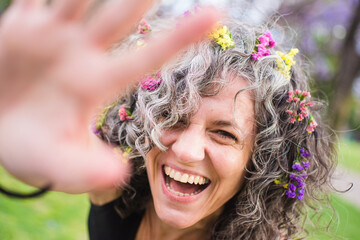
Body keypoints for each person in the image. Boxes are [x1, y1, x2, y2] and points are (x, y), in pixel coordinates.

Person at [0, 1, 336, 240]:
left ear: (261, 161)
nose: (187, 151)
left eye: (223, 133)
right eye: (170, 117)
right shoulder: (119, 194)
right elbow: (69, 150)